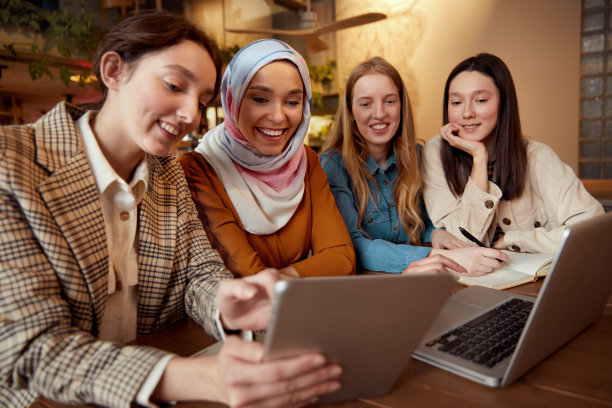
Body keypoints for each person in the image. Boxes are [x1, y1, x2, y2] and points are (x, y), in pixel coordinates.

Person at [0, 12, 342, 408]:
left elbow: (200, 272)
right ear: (114, 71)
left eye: (201, 100)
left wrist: (227, 304)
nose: (191, 115)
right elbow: (30, 348)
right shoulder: (12, 162)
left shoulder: (166, 172)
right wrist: (185, 377)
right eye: (174, 85)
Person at [180, 39, 355, 279]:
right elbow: (244, 273)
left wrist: (277, 279)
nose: (277, 116)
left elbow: (341, 257)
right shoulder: (199, 169)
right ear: (233, 99)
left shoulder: (306, 161)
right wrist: (306, 271)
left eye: (292, 102)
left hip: (302, 309)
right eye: (260, 99)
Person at [320, 57, 507, 275]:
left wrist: (435, 234)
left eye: (389, 101)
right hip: (365, 288)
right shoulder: (333, 167)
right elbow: (351, 245)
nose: (379, 113)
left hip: (418, 280)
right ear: (351, 112)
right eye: (366, 104)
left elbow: (425, 222)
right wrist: (435, 256)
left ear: (401, 106)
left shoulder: (417, 156)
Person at [422, 53, 604, 254]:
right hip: (468, 278)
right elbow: (465, 242)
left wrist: (514, 240)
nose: (467, 113)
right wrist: (479, 158)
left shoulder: (537, 156)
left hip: (532, 281)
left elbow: (592, 232)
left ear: (504, 103)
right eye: (456, 102)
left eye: (480, 100)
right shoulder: (435, 153)